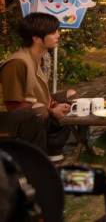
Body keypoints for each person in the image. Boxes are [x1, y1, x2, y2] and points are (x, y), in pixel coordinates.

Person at [0, 13, 73, 161]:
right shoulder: (17, 63)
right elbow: (13, 105)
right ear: (36, 38)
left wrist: (54, 104)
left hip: (33, 111)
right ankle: (35, 160)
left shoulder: (38, 58)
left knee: (71, 95)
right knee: (37, 114)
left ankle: (53, 149)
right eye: (53, 32)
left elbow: (36, 95)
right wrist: (50, 110)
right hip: (12, 119)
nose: (58, 35)